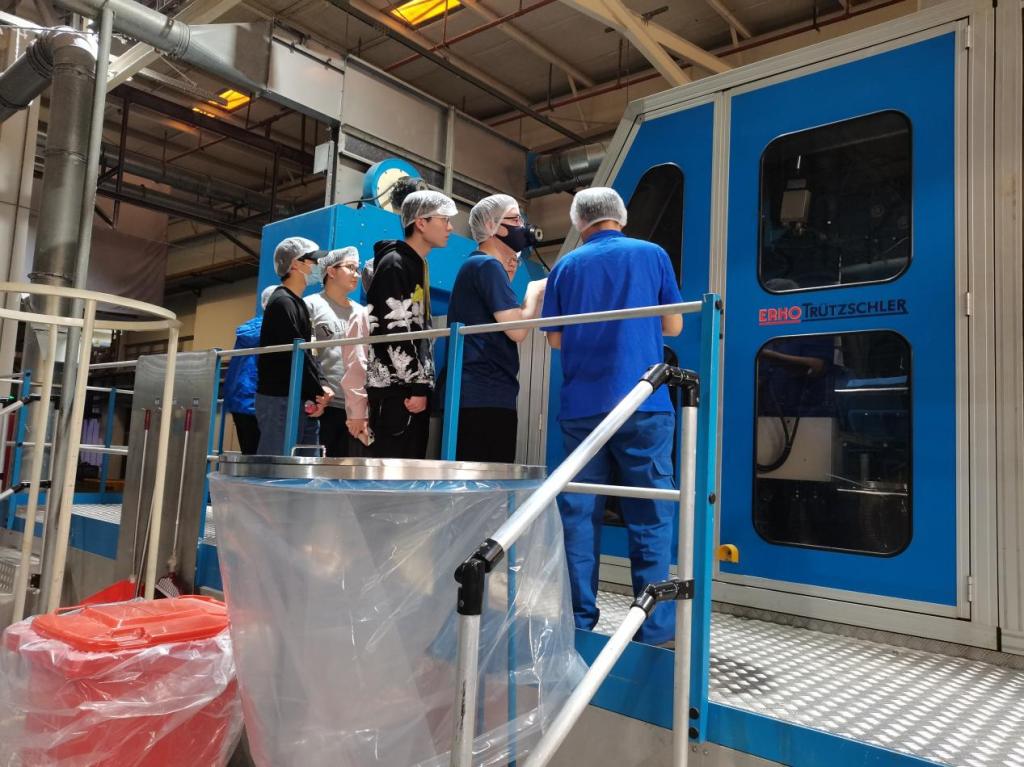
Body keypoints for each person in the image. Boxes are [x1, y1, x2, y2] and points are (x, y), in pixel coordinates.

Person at [541, 187, 683, 647]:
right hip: (643, 404)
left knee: (580, 515)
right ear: (619, 216)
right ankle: (653, 631)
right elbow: (674, 324)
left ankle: (578, 622)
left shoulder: (565, 267)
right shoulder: (652, 254)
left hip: (583, 408)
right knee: (650, 514)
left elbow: (555, 340)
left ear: (578, 220)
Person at [445, 194, 546, 462]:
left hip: (482, 392)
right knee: (486, 479)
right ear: (492, 226)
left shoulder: (480, 265)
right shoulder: (486, 265)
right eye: (515, 219)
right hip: (484, 393)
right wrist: (534, 291)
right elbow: (517, 330)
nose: (522, 226)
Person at [365, 190, 457, 458]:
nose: (450, 227)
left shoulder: (417, 264)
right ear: (421, 222)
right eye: (444, 219)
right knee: (393, 471)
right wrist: (417, 385)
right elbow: (393, 328)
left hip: (409, 390)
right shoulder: (394, 263)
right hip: (398, 392)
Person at [256, 237, 334, 455]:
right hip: (281, 399)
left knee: (303, 465)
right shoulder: (283, 303)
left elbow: (309, 351)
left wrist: (320, 386)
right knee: (277, 466)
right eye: (313, 260)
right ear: (296, 264)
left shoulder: (296, 303)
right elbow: (295, 354)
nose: (317, 266)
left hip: (297, 397)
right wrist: (319, 390)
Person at [305, 247, 372, 456]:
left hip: (355, 408)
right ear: (331, 271)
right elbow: (306, 355)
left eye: (358, 269)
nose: (356, 274)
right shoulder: (311, 306)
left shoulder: (361, 312)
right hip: (324, 404)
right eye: (350, 267)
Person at [223, 285, 276, 454]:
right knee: (267, 457)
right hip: (262, 400)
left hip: (240, 400)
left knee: (249, 455)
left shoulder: (248, 330)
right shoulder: (274, 330)